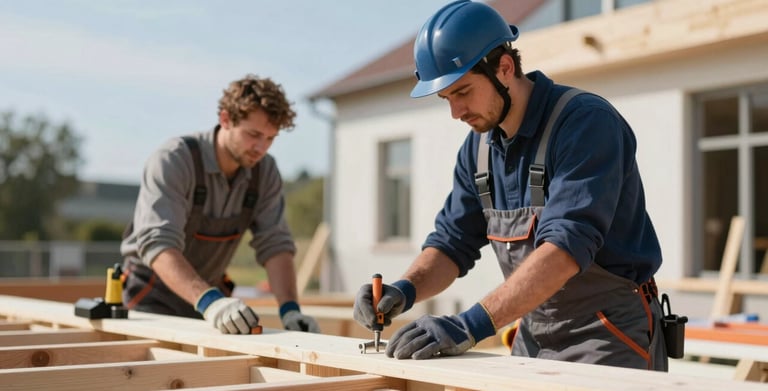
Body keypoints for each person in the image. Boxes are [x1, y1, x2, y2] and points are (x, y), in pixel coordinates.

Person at [353, 0, 668, 370]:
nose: (455, 112)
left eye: (463, 91)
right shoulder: (478, 148)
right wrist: (403, 290)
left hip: (607, 335)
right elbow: (452, 243)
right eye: (446, 98)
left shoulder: (585, 124)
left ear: (504, 68)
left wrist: (468, 325)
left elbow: (565, 250)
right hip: (532, 334)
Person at [121, 74, 319, 335]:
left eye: (271, 138)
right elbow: (158, 244)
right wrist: (209, 302)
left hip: (212, 299)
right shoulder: (174, 160)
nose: (261, 147)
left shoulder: (264, 173)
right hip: (152, 298)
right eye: (254, 134)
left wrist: (290, 309)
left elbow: (276, 245)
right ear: (225, 119)